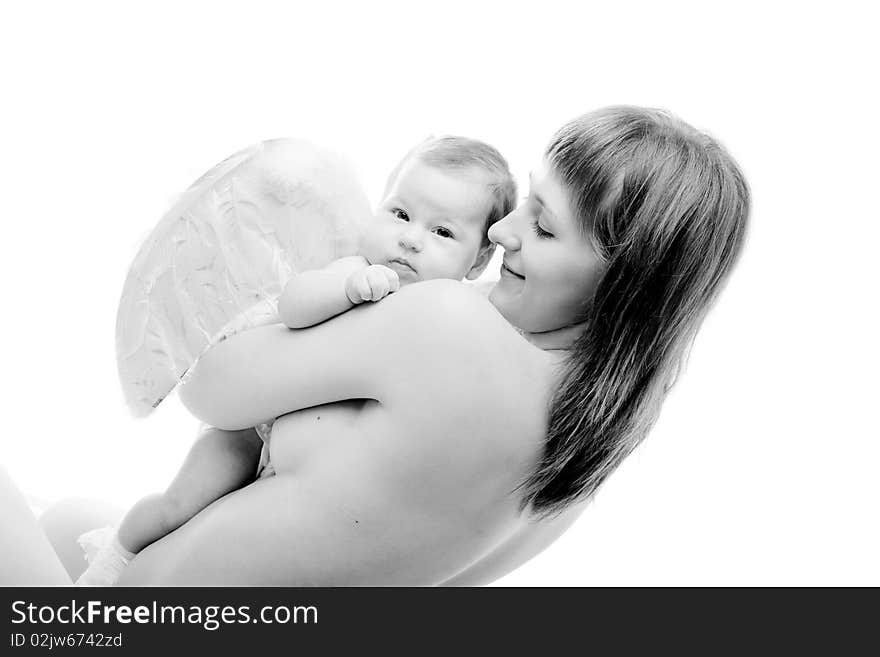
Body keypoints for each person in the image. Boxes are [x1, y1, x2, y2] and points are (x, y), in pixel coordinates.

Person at [4, 106, 749, 586]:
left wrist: (299, 278)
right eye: (525, 200)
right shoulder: (592, 446)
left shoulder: (450, 327)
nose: (501, 233)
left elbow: (210, 388)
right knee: (72, 517)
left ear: (627, 283)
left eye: (544, 227)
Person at [75, 136, 517, 585]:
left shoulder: (456, 318)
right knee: (183, 505)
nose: (410, 238)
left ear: (480, 259)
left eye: (442, 232)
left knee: (229, 529)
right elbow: (294, 305)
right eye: (400, 213)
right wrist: (347, 288)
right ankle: (115, 559)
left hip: (302, 467)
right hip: (251, 428)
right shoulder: (356, 268)